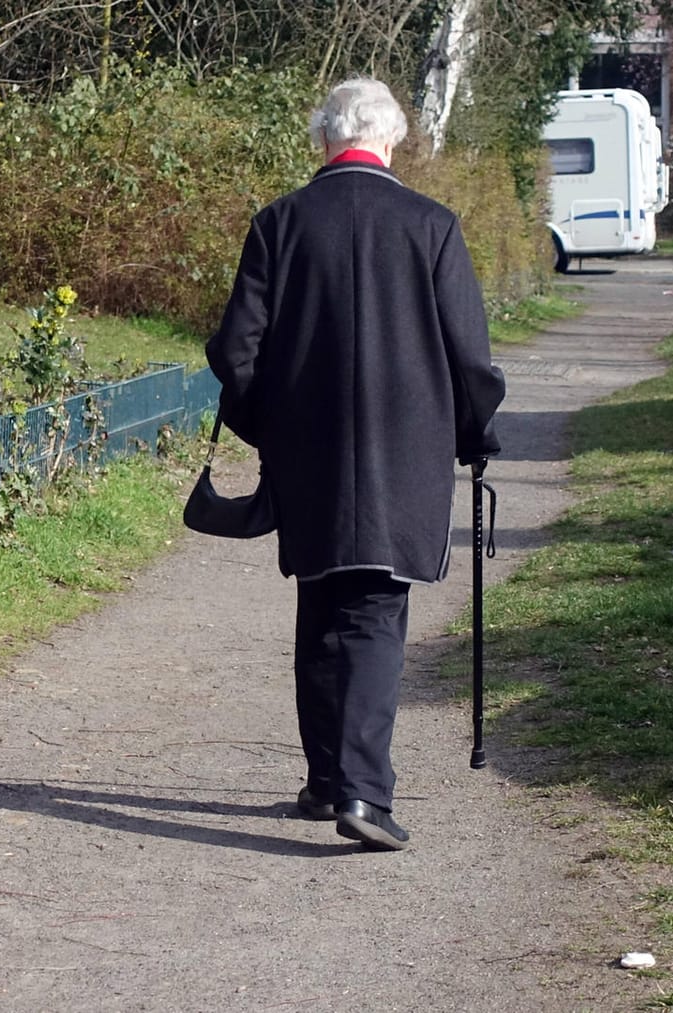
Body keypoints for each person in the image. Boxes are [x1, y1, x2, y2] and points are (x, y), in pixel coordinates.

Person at [205, 77, 506, 851]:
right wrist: (475, 434)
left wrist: (267, 426)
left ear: (323, 137)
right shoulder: (431, 225)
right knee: (374, 612)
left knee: (321, 601)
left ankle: (325, 780)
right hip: (405, 455)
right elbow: (470, 357)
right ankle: (364, 795)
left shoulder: (280, 223)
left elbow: (235, 350)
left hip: (307, 452)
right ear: (393, 138)